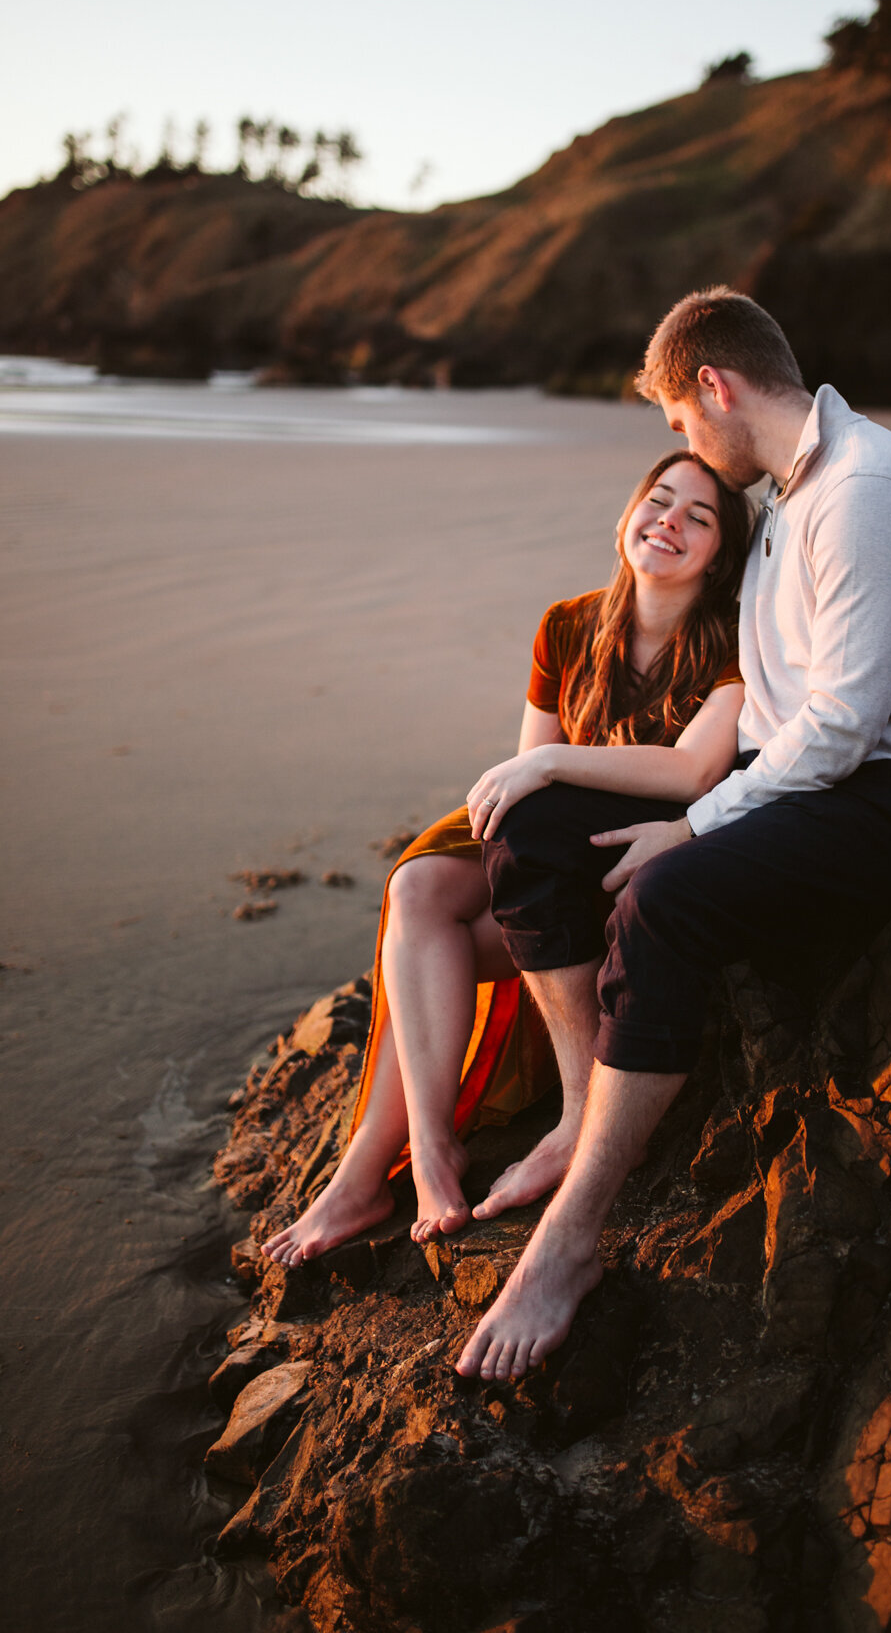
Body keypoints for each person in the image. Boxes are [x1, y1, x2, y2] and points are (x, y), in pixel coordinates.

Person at [456, 286, 891, 1383]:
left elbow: (842, 733)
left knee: (663, 902)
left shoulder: (866, 491)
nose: (686, 451)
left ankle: (571, 1243)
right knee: (538, 827)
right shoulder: (791, 495)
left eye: (684, 426)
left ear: (716, 386)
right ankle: (578, 1106)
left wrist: (694, 823)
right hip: (797, 783)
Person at [261, 450, 751, 1266]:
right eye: (658, 501)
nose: (669, 520)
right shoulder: (566, 624)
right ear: (627, 513)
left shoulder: (732, 642)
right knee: (418, 886)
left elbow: (692, 770)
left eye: (698, 517)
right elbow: (516, 809)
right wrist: (540, 770)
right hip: (544, 857)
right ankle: (421, 1150)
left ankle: (375, 1171)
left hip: (632, 861)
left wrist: (554, 762)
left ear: (720, 553)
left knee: (438, 934)